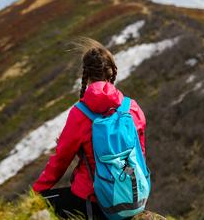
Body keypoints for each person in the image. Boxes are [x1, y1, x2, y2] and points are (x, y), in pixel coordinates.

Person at [32, 39, 147, 219]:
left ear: (85, 73)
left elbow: (60, 161)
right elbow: (140, 154)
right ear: (111, 72)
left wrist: (35, 192)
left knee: (38, 206)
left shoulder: (80, 114)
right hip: (132, 197)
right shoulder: (132, 108)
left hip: (92, 201)